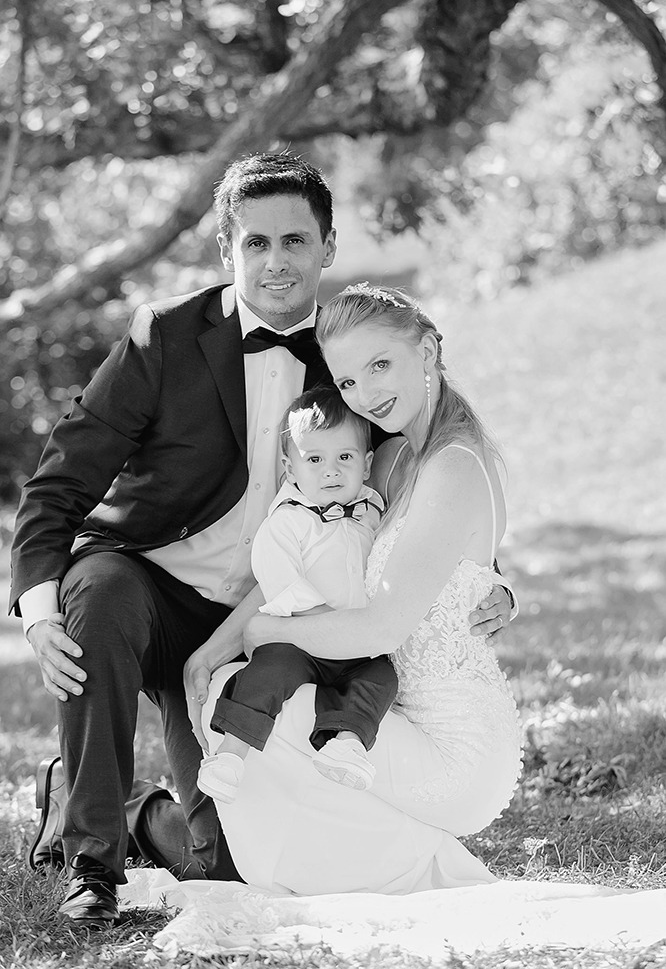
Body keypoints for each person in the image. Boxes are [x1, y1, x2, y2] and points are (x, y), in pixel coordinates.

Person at [10, 153, 512, 927]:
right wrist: (40, 614)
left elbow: (426, 480)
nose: (276, 261)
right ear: (227, 249)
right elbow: (59, 483)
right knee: (99, 600)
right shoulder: (163, 338)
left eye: (295, 241)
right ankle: (91, 860)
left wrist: (487, 577)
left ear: (328, 247)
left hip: (260, 619)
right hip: (148, 585)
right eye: (256, 242)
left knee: (232, 863)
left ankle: (139, 810)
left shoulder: (350, 358)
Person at [189, 283, 523, 896]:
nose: (365, 395)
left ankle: (416, 863)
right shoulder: (393, 459)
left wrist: (264, 631)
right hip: (389, 712)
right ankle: (366, 854)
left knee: (249, 704)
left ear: (427, 351)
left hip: (454, 749)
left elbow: (381, 627)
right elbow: (324, 557)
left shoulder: (451, 463)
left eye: (380, 365)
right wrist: (217, 646)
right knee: (239, 691)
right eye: (346, 381)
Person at [198, 384, 397, 804]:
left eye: (345, 458)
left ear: (367, 464)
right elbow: (281, 580)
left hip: (359, 645)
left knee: (380, 678)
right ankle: (231, 753)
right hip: (300, 637)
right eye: (315, 460)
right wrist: (330, 623)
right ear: (291, 468)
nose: (331, 471)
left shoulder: (374, 511)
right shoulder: (286, 523)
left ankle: (346, 743)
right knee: (270, 671)